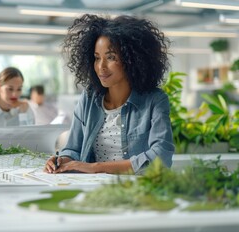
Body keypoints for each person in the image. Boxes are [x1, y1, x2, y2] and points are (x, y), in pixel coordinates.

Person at [44, 14, 174, 175]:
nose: (101, 67)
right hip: (92, 189)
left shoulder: (155, 100)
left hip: (137, 189)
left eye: (111, 57)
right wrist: (62, 160)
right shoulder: (89, 98)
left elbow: (161, 156)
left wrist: (96, 167)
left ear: (131, 59)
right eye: (97, 58)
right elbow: (73, 149)